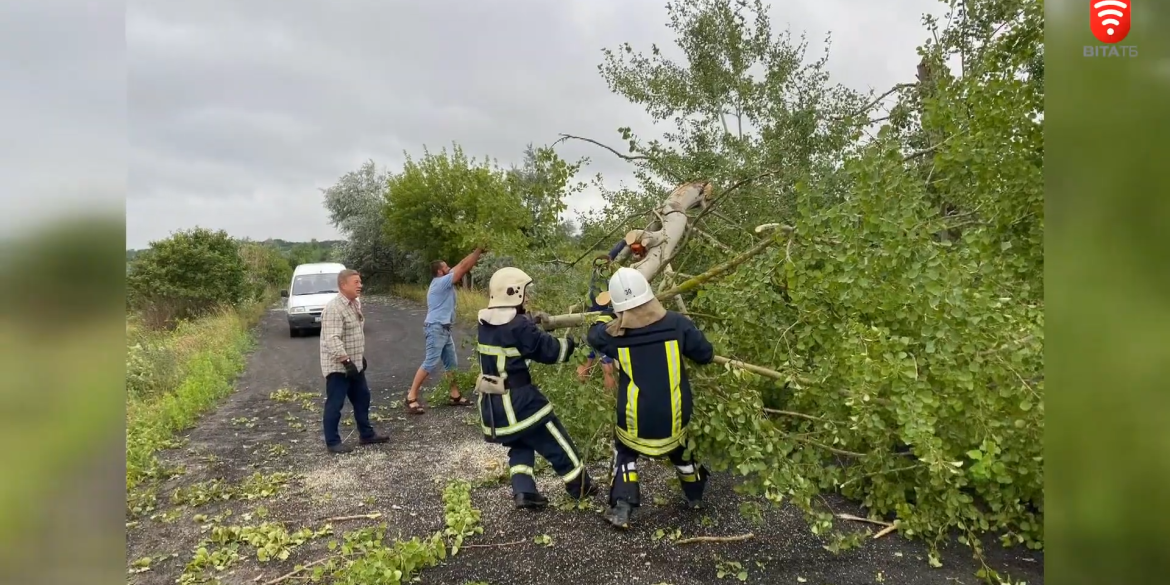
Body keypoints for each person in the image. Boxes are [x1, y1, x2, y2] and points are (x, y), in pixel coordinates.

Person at [586, 267, 715, 528]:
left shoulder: (615, 338)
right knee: (681, 449)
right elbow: (705, 354)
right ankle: (695, 496)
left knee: (624, 452)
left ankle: (622, 507)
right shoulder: (678, 323)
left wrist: (605, 316)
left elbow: (593, 334)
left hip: (635, 419)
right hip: (675, 415)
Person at [475, 267, 598, 509]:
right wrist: (579, 344)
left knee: (519, 443)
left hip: (493, 405)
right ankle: (580, 486)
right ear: (514, 293)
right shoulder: (519, 326)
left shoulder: (484, 323)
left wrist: (530, 323)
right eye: (524, 293)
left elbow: (510, 337)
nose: (527, 297)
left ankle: (524, 492)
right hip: (521, 403)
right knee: (556, 440)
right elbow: (550, 351)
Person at [404, 247, 484, 414]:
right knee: (430, 362)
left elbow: (460, 265)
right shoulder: (441, 282)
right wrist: (478, 250)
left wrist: (476, 253)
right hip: (435, 328)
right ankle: (411, 396)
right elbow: (462, 267)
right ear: (440, 272)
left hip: (444, 329)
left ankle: (454, 395)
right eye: (447, 267)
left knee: (451, 363)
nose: (450, 268)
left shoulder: (443, 279)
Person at [319, 269, 389, 454]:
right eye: (356, 282)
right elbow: (332, 339)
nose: (360, 285)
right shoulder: (334, 308)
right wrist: (346, 360)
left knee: (362, 398)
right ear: (343, 285)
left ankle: (366, 434)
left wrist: (358, 358)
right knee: (335, 403)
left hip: (354, 364)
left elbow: (354, 333)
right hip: (339, 367)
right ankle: (332, 442)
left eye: (360, 282)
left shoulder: (353, 303)